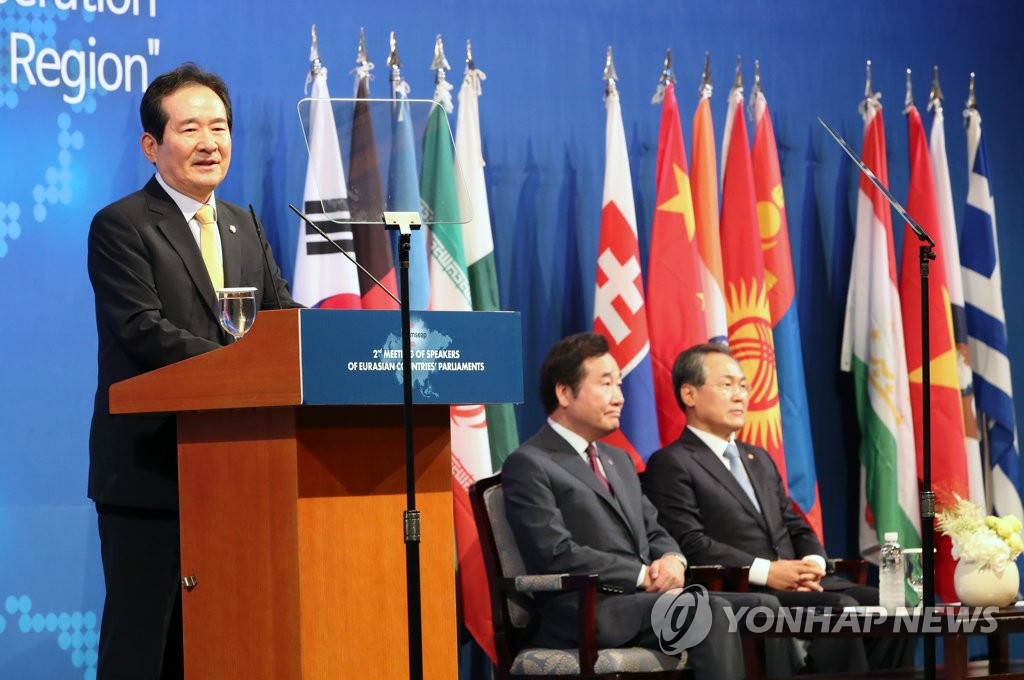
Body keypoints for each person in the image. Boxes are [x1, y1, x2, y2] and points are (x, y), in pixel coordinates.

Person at [87, 63, 299, 679]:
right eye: (190, 129)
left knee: (221, 648)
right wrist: (240, 367)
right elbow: (143, 331)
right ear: (151, 145)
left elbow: (281, 321)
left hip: (239, 474)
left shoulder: (244, 224)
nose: (210, 142)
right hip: (152, 473)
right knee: (143, 650)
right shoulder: (122, 225)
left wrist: (331, 345)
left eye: (220, 127)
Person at [501, 332, 787, 680]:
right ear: (564, 392)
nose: (619, 397)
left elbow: (655, 530)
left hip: (644, 601)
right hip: (587, 609)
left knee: (764, 607)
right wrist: (641, 574)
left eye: (620, 384)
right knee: (708, 611)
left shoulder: (617, 460)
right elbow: (555, 553)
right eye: (606, 384)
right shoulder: (530, 463)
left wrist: (673, 560)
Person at [642, 342, 915, 674]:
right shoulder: (672, 463)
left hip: (801, 585)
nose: (740, 396)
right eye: (727, 385)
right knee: (838, 610)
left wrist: (812, 564)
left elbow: (793, 523)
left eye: (744, 386)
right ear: (689, 394)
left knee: (897, 608)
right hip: (743, 589)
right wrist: (769, 572)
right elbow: (692, 543)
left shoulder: (757, 458)